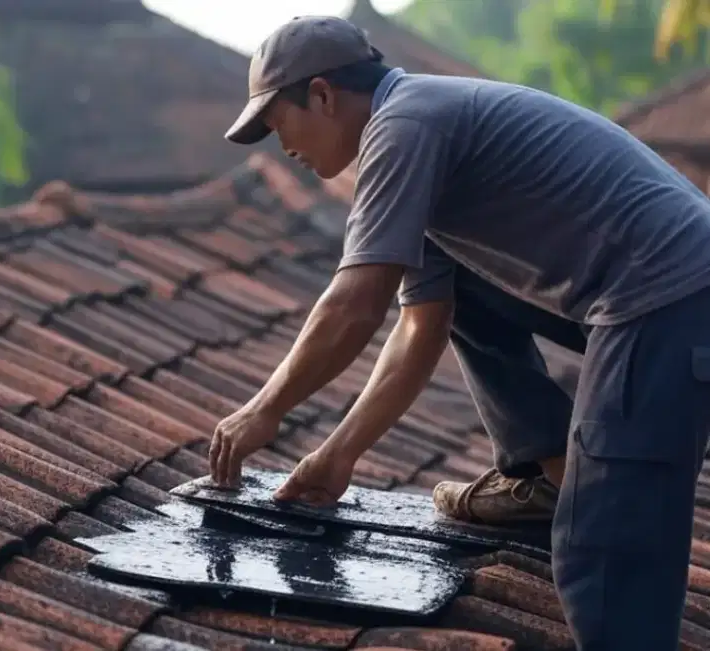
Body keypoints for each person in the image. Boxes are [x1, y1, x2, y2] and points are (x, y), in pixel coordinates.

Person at [210, 14, 710, 651]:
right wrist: (338, 456)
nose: (284, 149)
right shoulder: (421, 138)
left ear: (324, 95)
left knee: (602, 551)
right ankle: (548, 470)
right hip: (654, 295)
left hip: (669, 300)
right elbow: (422, 325)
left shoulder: (403, 126)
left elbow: (355, 304)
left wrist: (263, 411)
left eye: (279, 124)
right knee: (458, 288)